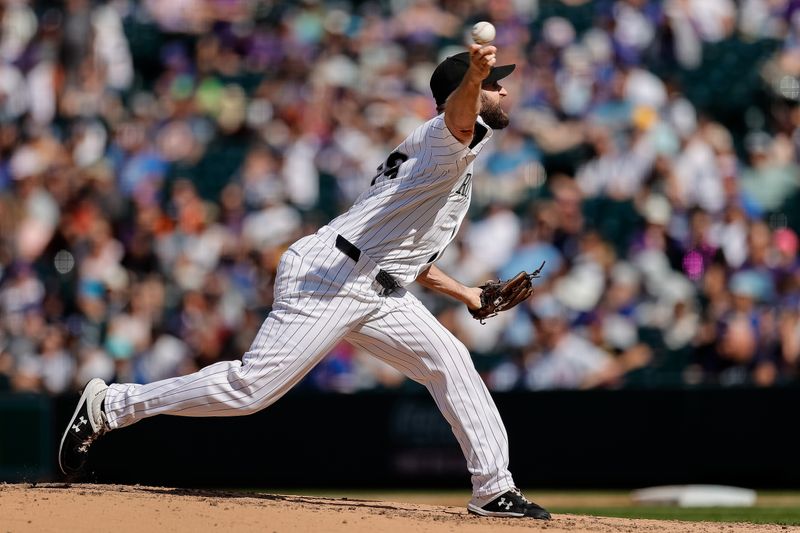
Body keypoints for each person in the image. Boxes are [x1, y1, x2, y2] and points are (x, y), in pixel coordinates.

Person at [58, 44, 551, 520]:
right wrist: (473, 77)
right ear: (466, 90)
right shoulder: (449, 141)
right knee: (251, 391)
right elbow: (460, 117)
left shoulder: (443, 159)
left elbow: (406, 256)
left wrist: (464, 292)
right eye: (495, 84)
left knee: (451, 362)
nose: (504, 92)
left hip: (377, 286)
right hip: (332, 278)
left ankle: (494, 489)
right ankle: (112, 405)